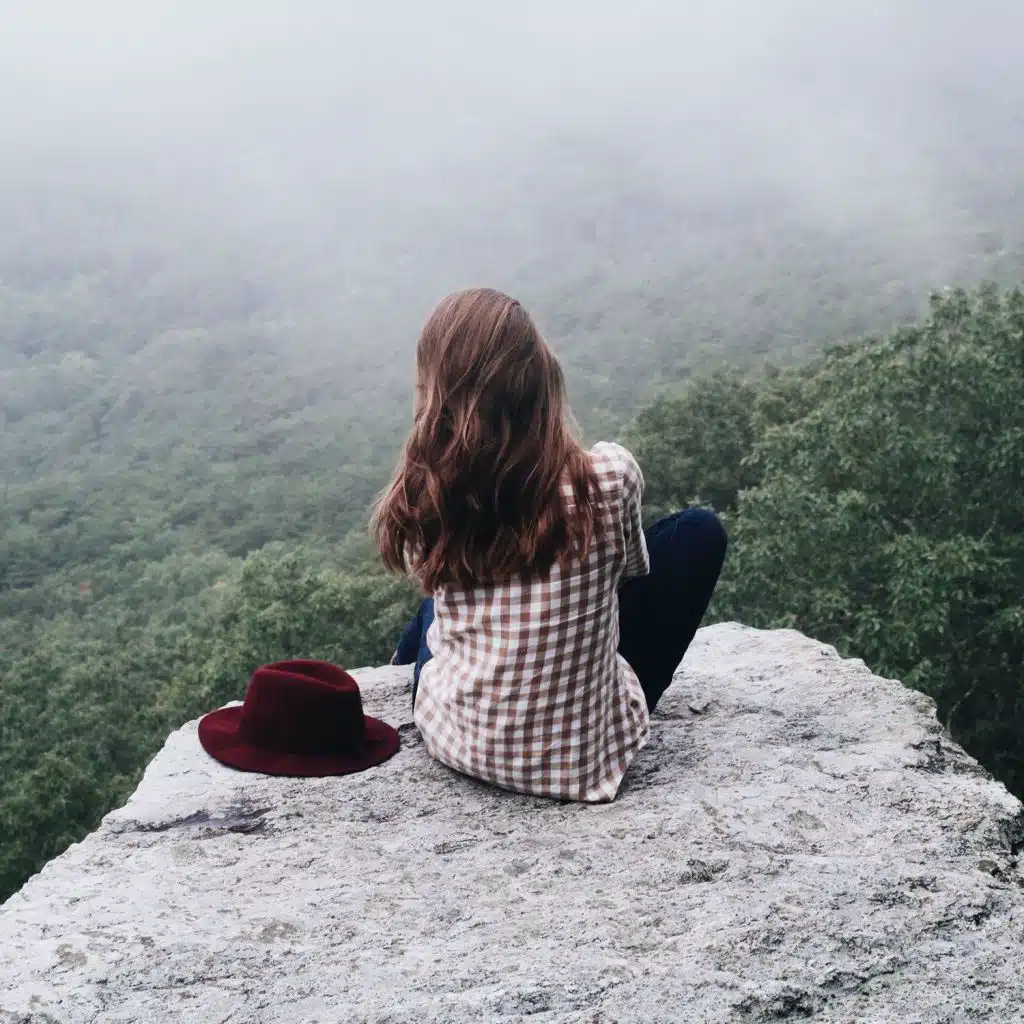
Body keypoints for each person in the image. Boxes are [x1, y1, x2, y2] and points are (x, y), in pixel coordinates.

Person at [372, 288, 726, 802]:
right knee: (697, 532)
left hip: (457, 741)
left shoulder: (431, 493)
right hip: (583, 764)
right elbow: (628, 575)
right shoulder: (611, 477)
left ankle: (401, 660)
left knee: (440, 592)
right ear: (541, 382)